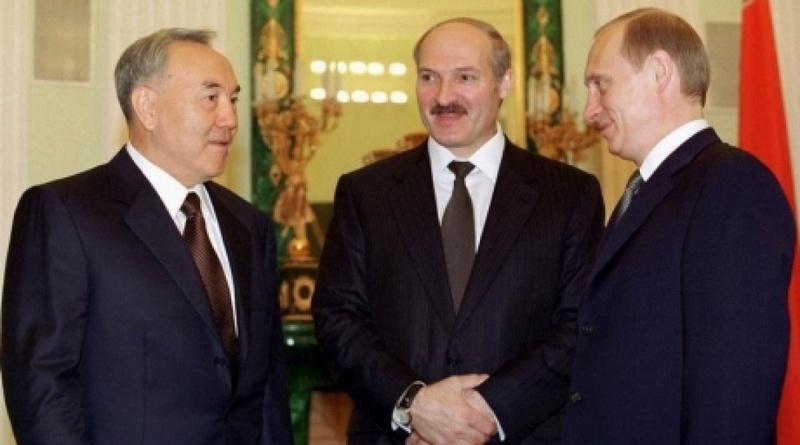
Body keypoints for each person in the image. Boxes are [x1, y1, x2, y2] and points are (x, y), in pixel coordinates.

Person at [312, 17, 604, 444]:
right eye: (429, 77)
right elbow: (338, 320)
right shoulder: (365, 193)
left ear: (504, 82)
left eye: (464, 77)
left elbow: (579, 326)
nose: (444, 96)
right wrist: (415, 405)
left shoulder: (569, 195)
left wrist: (481, 414)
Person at [1, 28, 293, 444]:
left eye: (233, 99)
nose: (230, 119)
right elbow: (41, 384)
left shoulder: (249, 226)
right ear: (147, 107)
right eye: (211, 98)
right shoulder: (66, 212)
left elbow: (266, 392)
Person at [563, 8, 796, 444]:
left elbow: (735, 387)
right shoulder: (646, 190)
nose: (590, 111)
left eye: (601, 84)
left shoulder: (731, 185)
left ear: (658, 71)